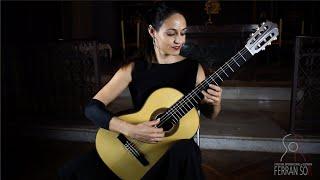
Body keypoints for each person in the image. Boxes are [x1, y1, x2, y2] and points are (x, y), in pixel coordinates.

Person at [58, 3, 222, 180]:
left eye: (183, 33)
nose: (179, 41)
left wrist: (215, 103)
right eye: (171, 33)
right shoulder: (134, 68)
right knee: (70, 172)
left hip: (173, 152)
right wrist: (131, 130)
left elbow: (210, 113)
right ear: (152, 32)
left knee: (185, 150)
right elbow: (92, 108)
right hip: (137, 145)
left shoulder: (193, 68)